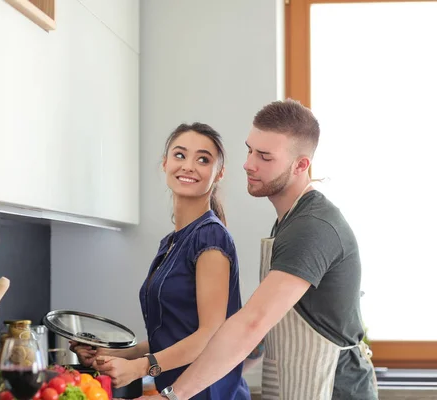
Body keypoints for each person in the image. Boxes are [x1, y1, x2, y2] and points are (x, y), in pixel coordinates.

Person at [138, 99, 378, 400]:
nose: (248, 164)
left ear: (300, 165)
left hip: (334, 390)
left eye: (264, 156)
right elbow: (264, 337)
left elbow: (252, 323)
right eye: (250, 149)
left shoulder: (312, 228)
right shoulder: (288, 222)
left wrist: (172, 395)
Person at [72, 123, 251, 399]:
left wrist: (140, 368)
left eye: (203, 159)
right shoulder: (171, 243)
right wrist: (114, 354)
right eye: (180, 155)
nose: (188, 166)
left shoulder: (210, 236)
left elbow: (209, 335)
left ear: (219, 173)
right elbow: (173, 333)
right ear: (165, 163)